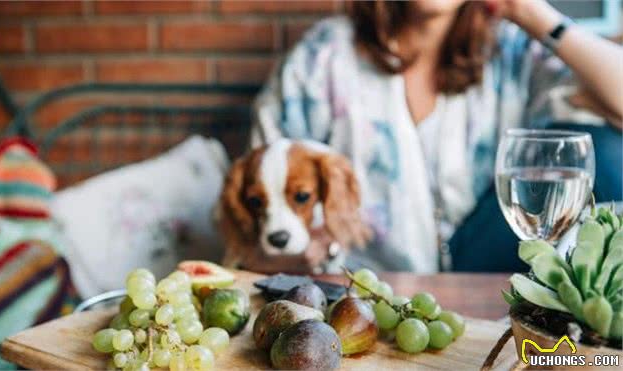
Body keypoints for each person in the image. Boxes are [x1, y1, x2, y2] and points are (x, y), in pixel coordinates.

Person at [247, 0, 623, 274]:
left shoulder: (511, 47)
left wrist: (529, 11)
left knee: (608, 152)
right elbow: (262, 185)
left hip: (486, 254)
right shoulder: (323, 56)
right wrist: (308, 244)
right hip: (365, 272)